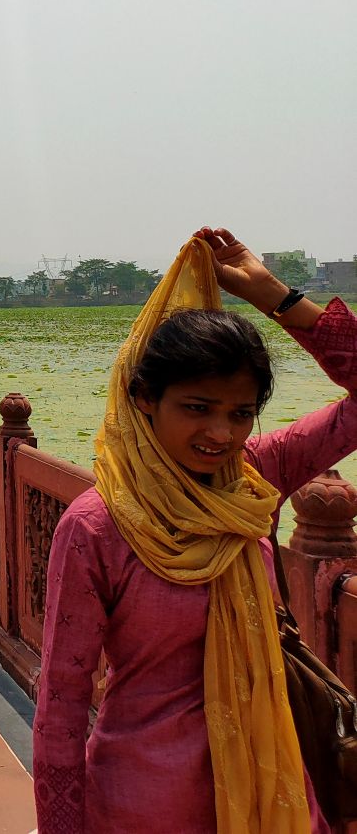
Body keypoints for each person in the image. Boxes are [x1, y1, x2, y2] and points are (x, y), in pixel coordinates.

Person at [33, 228, 356, 834]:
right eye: (197, 407)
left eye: (241, 413)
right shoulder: (100, 526)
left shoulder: (252, 478)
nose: (221, 434)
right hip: (145, 805)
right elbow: (61, 701)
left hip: (275, 794)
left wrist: (276, 296)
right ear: (144, 398)